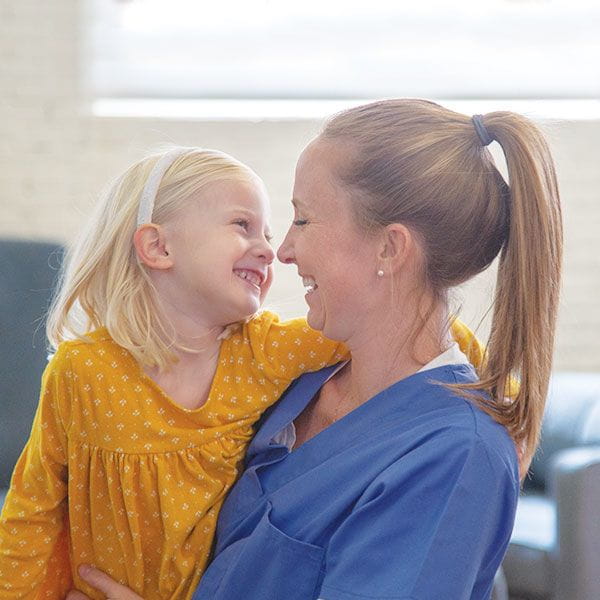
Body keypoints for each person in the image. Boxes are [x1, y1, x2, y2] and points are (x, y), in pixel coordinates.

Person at [68, 98, 562, 600]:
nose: (283, 250)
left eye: (302, 220)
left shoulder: (457, 456)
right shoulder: (298, 384)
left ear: (390, 248)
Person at [0, 145, 486, 600]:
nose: (270, 249)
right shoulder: (82, 371)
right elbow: (33, 507)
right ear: (157, 247)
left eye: (269, 234)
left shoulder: (263, 349)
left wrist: (500, 401)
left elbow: (413, 328)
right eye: (242, 225)